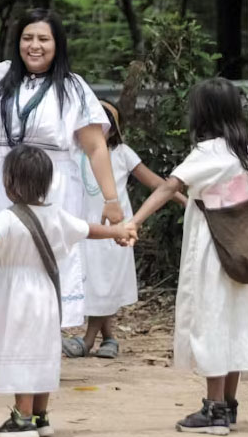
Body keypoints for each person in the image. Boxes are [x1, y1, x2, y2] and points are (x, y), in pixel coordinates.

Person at [128, 78, 248, 436]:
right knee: (235, 323)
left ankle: (214, 410)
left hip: (212, 250)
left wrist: (134, 221)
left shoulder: (207, 153)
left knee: (211, 322)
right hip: (243, 250)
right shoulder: (245, 152)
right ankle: (229, 407)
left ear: (202, 113)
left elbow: (171, 185)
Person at [0, 9, 122, 328]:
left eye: (43, 38)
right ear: (18, 42)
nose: (34, 45)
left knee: (47, 255)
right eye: (28, 38)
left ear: (57, 45)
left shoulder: (72, 88)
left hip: (52, 187)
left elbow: (96, 146)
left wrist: (111, 200)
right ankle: (1, 339)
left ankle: (43, 339)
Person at [0, 145, 136, 437]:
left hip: (15, 295)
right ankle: (41, 416)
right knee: (42, 351)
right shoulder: (57, 214)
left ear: (9, 183)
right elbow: (88, 229)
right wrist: (118, 231)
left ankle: (22, 418)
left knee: (20, 351)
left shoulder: (8, 217)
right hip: (47, 293)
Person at [64, 101, 186, 359]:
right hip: (87, 229)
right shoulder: (73, 154)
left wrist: (186, 202)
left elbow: (155, 182)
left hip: (116, 230)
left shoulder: (122, 153)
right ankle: (109, 338)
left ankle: (87, 340)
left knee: (105, 284)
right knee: (96, 286)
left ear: (112, 128)